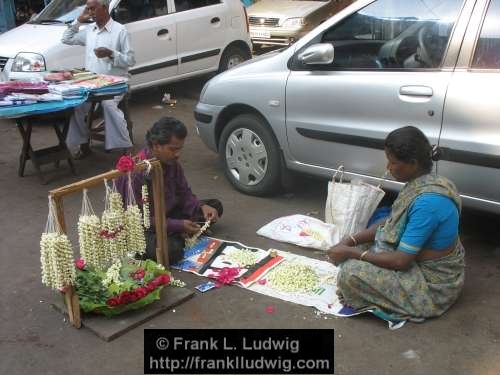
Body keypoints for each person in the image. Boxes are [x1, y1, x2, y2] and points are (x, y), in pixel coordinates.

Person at [328, 126, 465, 322]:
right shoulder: (425, 182)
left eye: (392, 162)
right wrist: (350, 240)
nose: (388, 168)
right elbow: (390, 222)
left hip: (432, 284)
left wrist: (351, 253)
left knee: (350, 273)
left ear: (413, 163)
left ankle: (392, 301)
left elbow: (401, 261)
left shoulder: (429, 202)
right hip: (413, 257)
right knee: (361, 243)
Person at [116, 117, 223, 264]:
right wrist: (178, 225)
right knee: (172, 250)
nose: (178, 154)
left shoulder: (172, 163)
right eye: (173, 149)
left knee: (215, 207)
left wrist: (201, 206)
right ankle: (178, 235)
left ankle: (179, 233)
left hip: (169, 214)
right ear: (156, 145)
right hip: (143, 227)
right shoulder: (136, 173)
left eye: (180, 148)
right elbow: (139, 220)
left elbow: (184, 192)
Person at [61, 0, 135, 158]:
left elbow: (130, 60)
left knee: (108, 105)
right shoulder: (90, 31)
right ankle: (83, 144)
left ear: (104, 8)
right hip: (91, 83)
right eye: (88, 8)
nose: (90, 12)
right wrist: (78, 21)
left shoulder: (120, 30)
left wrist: (111, 53)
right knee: (76, 105)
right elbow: (66, 38)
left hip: (115, 83)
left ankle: (126, 146)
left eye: (93, 8)